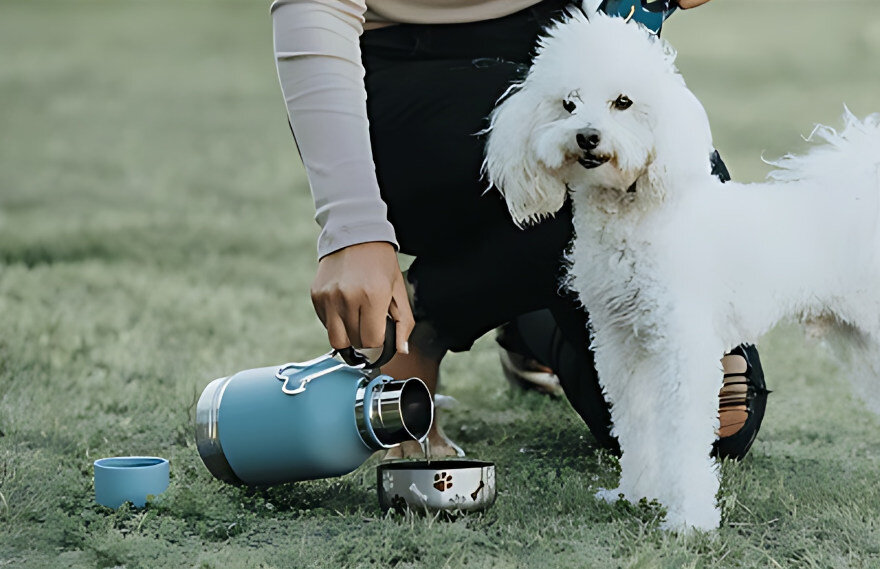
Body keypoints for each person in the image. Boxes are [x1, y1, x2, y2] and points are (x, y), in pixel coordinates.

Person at [270, 0, 766, 460]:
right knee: (567, 178)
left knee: (710, 433)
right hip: (405, 67)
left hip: (565, 33)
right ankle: (430, 317)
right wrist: (354, 231)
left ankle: (525, 313)